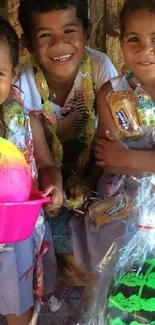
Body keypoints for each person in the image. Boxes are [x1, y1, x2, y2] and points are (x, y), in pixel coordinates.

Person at [16, 0, 118, 285]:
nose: (60, 44)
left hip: (94, 164)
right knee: (49, 224)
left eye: (69, 30)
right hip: (45, 171)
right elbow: (35, 156)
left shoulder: (100, 67)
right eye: (45, 34)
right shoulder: (24, 82)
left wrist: (89, 180)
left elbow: (109, 136)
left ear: (85, 31)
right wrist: (52, 184)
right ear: (28, 43)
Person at [0, 16, 63, 325]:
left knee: (18, 299)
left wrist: (53, 187)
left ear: (12, 74)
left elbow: (48, 165)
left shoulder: (26, 121)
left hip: (18, 233)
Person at [95, 0, 155, 177]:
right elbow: (106, 160)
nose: (145, 49)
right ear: (121, 42)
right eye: (134, 39)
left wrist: (127, 157)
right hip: (123, 198)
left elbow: (117, 158)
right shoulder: (111, 93)